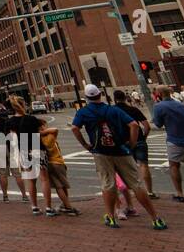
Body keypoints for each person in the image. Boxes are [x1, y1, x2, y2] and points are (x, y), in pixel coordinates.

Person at [70, 84, 166, 230]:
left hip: (101, 152)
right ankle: (155, 218)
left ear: (86, 98)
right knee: (136, 184)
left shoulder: (84, 112)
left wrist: (86, 145)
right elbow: (134, 125)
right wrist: (131, 144)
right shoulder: (113, 109)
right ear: (100, 95)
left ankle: (111, 217)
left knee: (108, 184)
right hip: (121, 150)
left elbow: (74, 128)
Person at [113, 90, 157, 199]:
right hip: (139, 140)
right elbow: (147, 126)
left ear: (114, 99)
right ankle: (150, 192)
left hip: (124, 143)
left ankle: (133, 193)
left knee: (126, 168)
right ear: (125, 98)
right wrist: (143, 138)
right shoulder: (133, 109)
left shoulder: (112, 111)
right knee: (143, 165)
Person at [8, 97, 43, 215]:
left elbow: (10, 140)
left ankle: (34, 206)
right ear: (23, 105)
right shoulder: (32, 119)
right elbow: (40, 134)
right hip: (36, 149)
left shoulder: (10, 122)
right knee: (45, 179)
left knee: (30, 180)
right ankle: (48, 207)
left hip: (22, 152)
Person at [37, 120, 79, 216]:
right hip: (58, 162)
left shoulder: (39, 139)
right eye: (45, 125)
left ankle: (65, 205)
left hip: (49, 163)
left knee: (60, 186)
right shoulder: (50, 136)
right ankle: (68, 207)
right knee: (60, 187)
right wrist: (44, 131)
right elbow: (55, 129)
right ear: (43, 126)